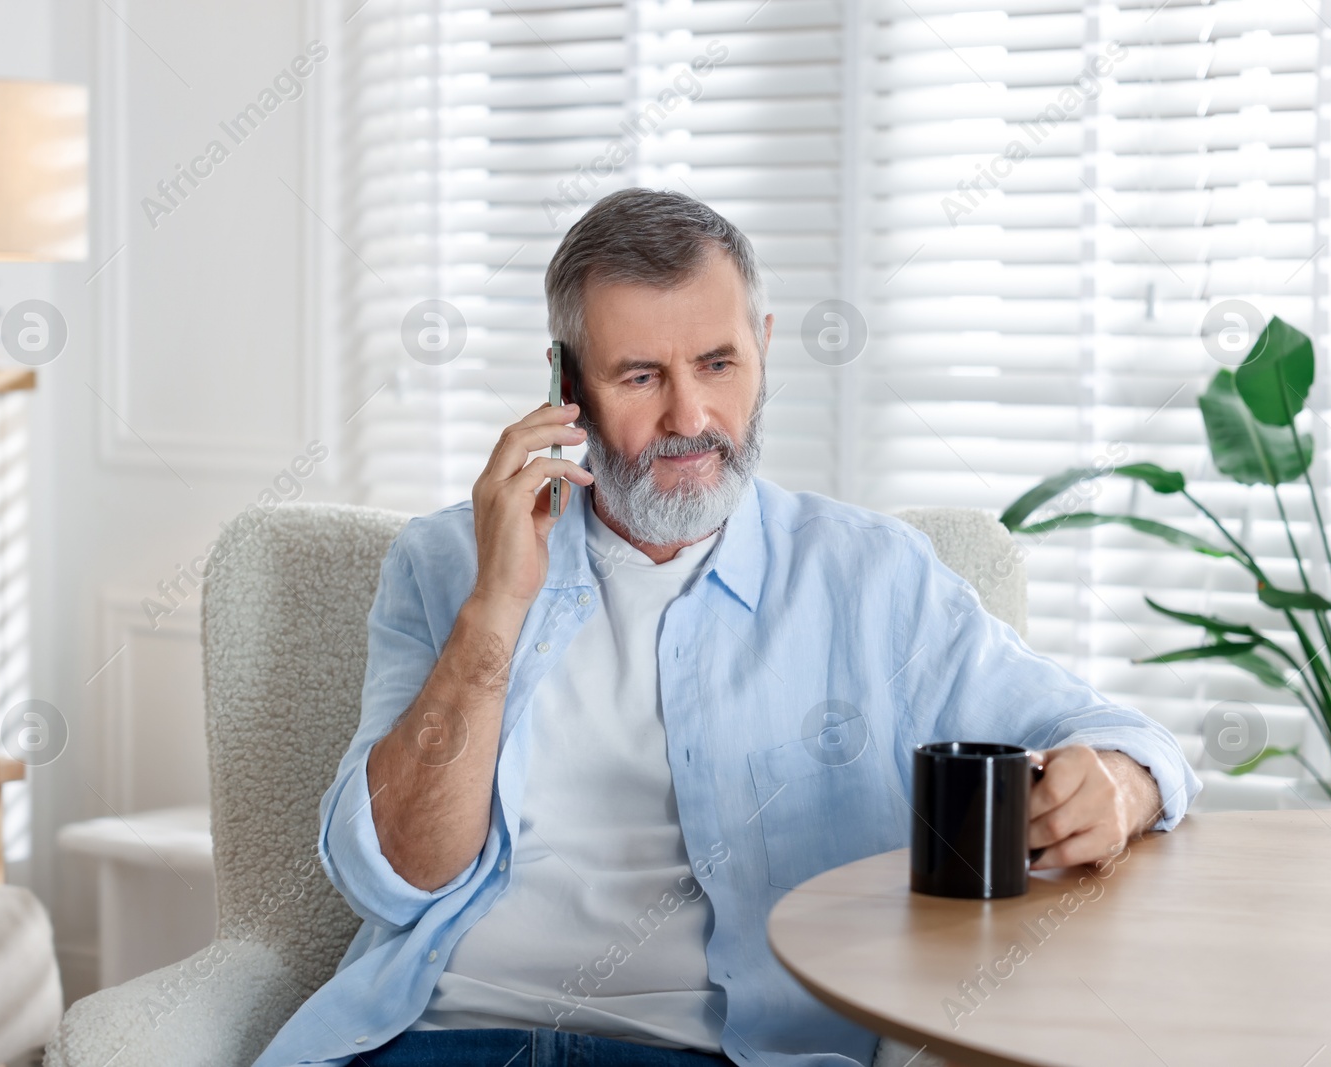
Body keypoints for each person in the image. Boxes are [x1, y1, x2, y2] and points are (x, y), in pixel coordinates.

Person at [254, 188, 1201, 1067]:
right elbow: (392, 880)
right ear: (565, 382)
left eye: (717, 363)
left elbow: (1124, 738)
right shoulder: (445, 565)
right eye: (639, 376)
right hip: (443, 1034)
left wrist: (1120, 785)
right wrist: (494, 611)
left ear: (764, 347)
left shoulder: (870, 578)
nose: (691, 416)